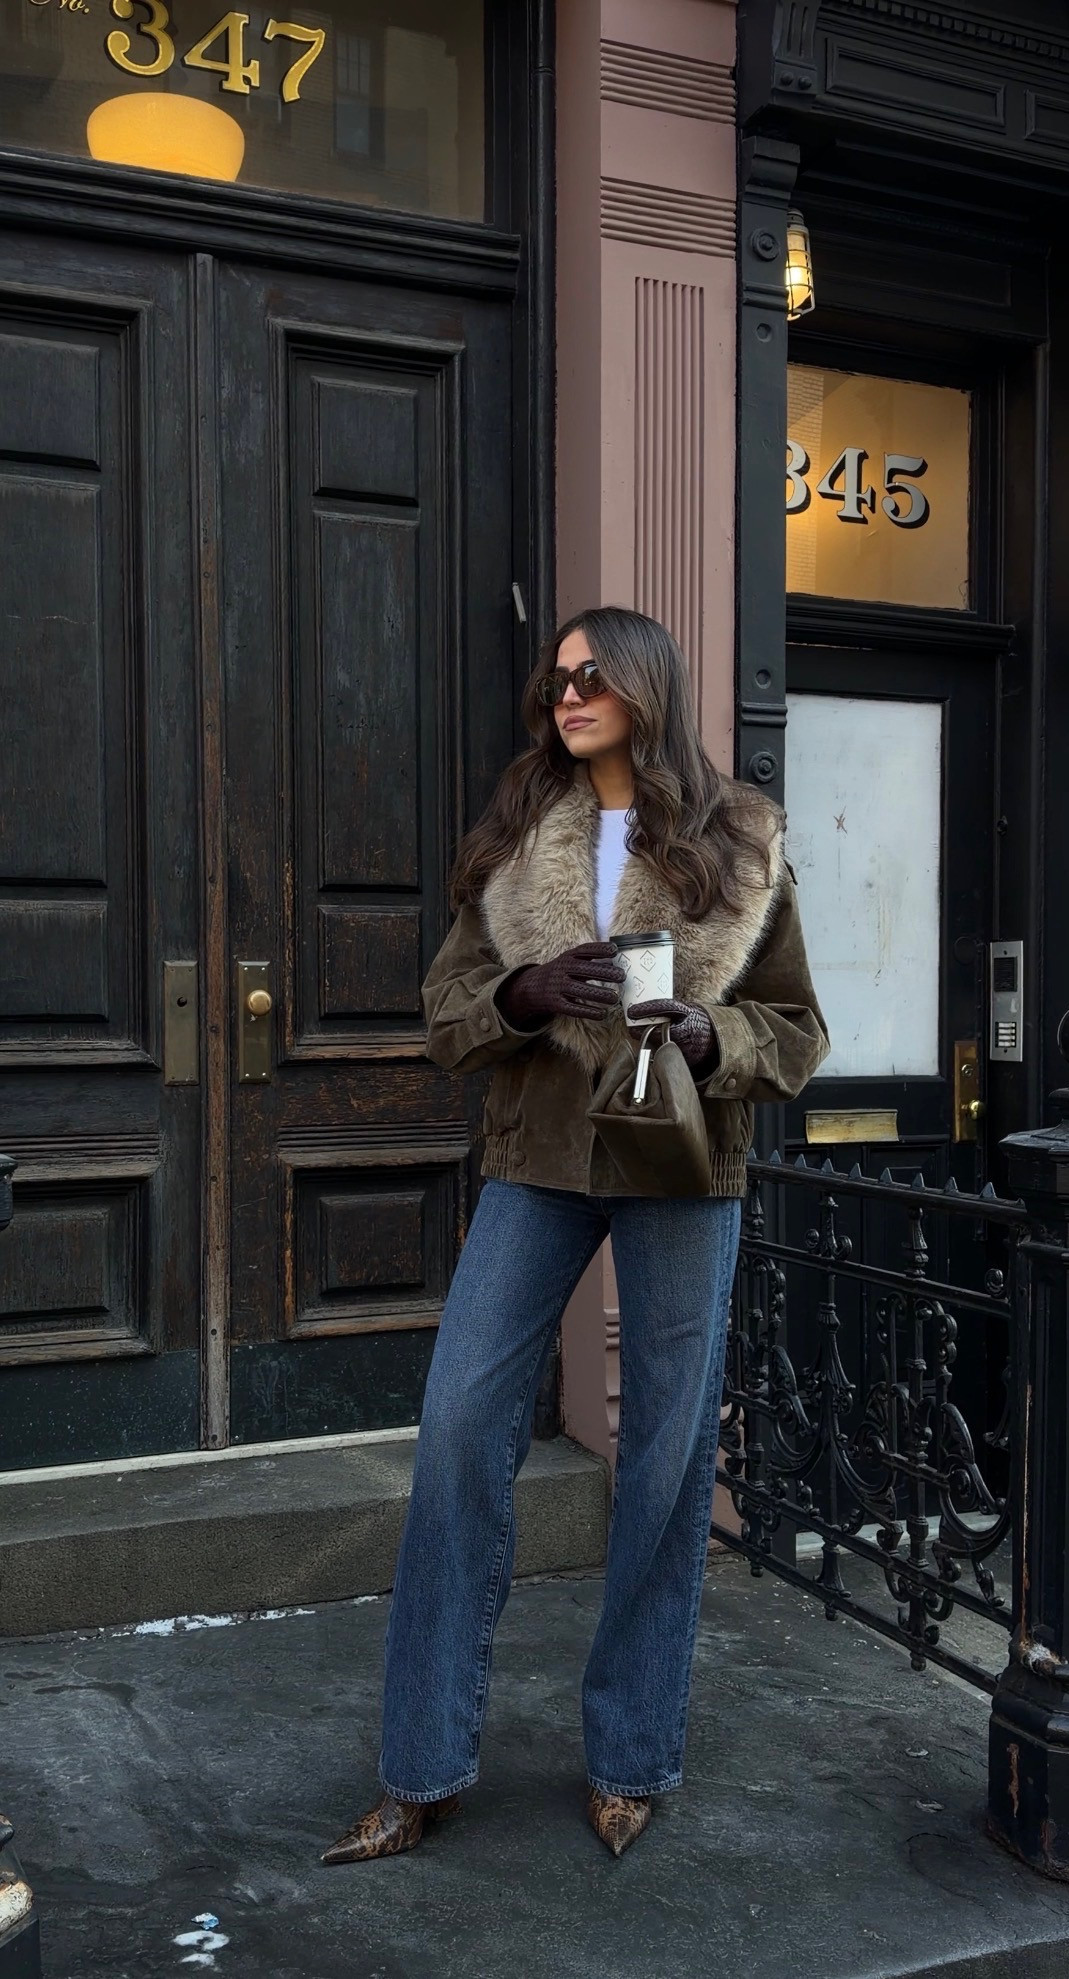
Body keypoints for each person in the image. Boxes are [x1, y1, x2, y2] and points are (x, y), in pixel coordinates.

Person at [322, 606, 828, 1865]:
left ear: (647, 685)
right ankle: (422, 1763)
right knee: (454, 1432)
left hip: (682, 1165)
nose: (569, 692)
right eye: (557, 677)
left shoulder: (740, 841)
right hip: (537, 1163)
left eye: (593, 672)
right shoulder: (517, 838)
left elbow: (800, 1032)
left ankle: (631, 1754)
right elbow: (447, 1015)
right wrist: (518, 990)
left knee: (661, 1462)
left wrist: (719, 1039)